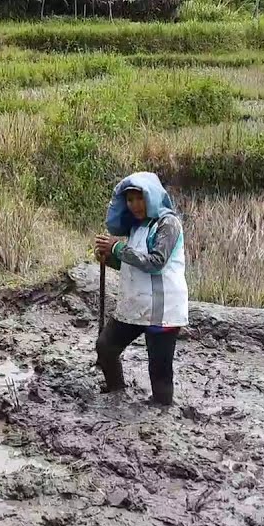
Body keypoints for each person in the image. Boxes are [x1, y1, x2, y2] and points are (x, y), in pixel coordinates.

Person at [92, 171, 188, 407]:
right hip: (135, 305)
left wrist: (117, 249)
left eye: (140, 198)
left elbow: (156, 262)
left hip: (162, 310)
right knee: (106, 346)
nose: (135, 205)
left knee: (159, 369)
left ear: (152, 196)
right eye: (130, 199)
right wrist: (109, 258)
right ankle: (117, 393)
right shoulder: (137, 227)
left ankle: (162, 413)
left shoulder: (168, 223)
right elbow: (132, 266)